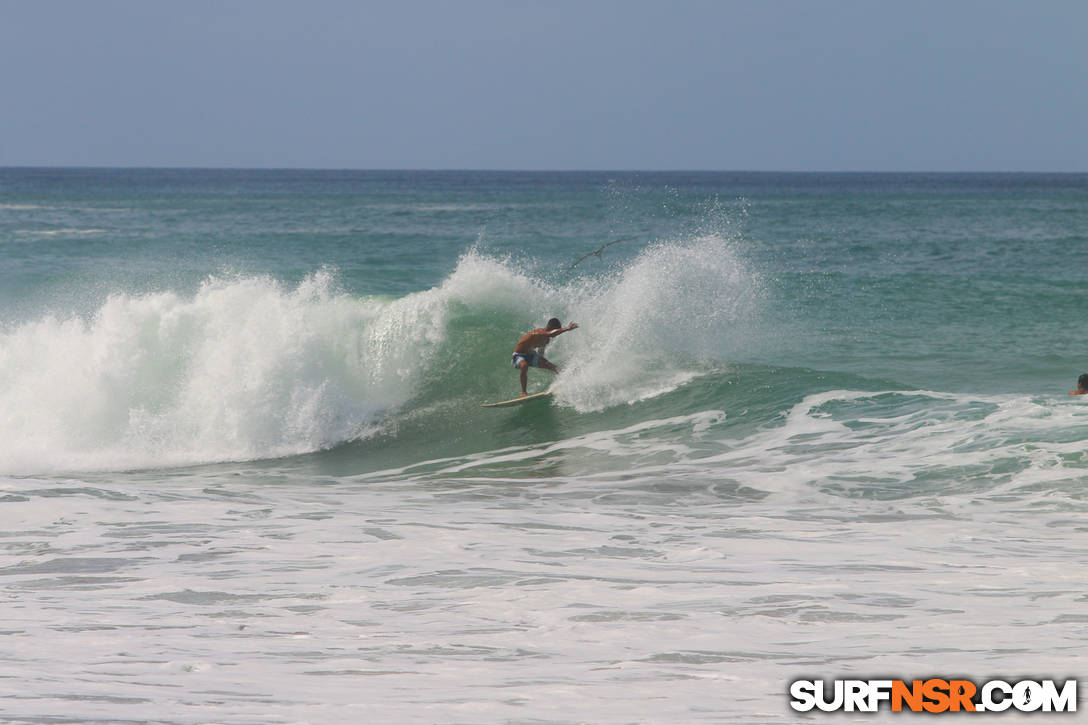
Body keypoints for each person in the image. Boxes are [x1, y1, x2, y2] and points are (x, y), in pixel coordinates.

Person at [511, 317, 578, 396]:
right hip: (518, 356)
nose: (555, 335)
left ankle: (568, 382)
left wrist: (542, 361)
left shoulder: (546, 340)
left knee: (554, 367)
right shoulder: (539, 332)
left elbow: (540, 352)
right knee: (524, 365)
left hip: (531, 355)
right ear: (549, 326)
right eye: (555, 329)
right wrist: (567, 329)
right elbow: (551, 333)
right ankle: (524, 393)